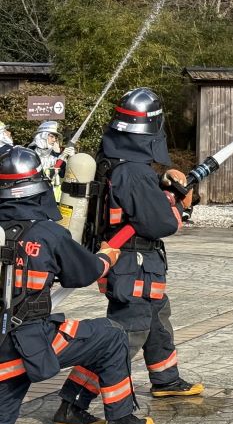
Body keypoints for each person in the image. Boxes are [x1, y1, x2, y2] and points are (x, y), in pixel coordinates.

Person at [59, 87, 202, 406]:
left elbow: (135, 207)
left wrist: (164, 188)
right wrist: (181, 205)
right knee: (123, 335)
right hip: (132, 265)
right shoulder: (134, 172)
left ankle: (167, 380)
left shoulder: (116, 161)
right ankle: (75, 399)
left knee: (156, 322)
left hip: (134, 265)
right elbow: (160, 223)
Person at [0, 145, 153, 424]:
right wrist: (107, 256)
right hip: (25, 345)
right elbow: (85, 272)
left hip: (5, 347)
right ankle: (120, 418)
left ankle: (73, 411)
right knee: (110, 335)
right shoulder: (46, 233)